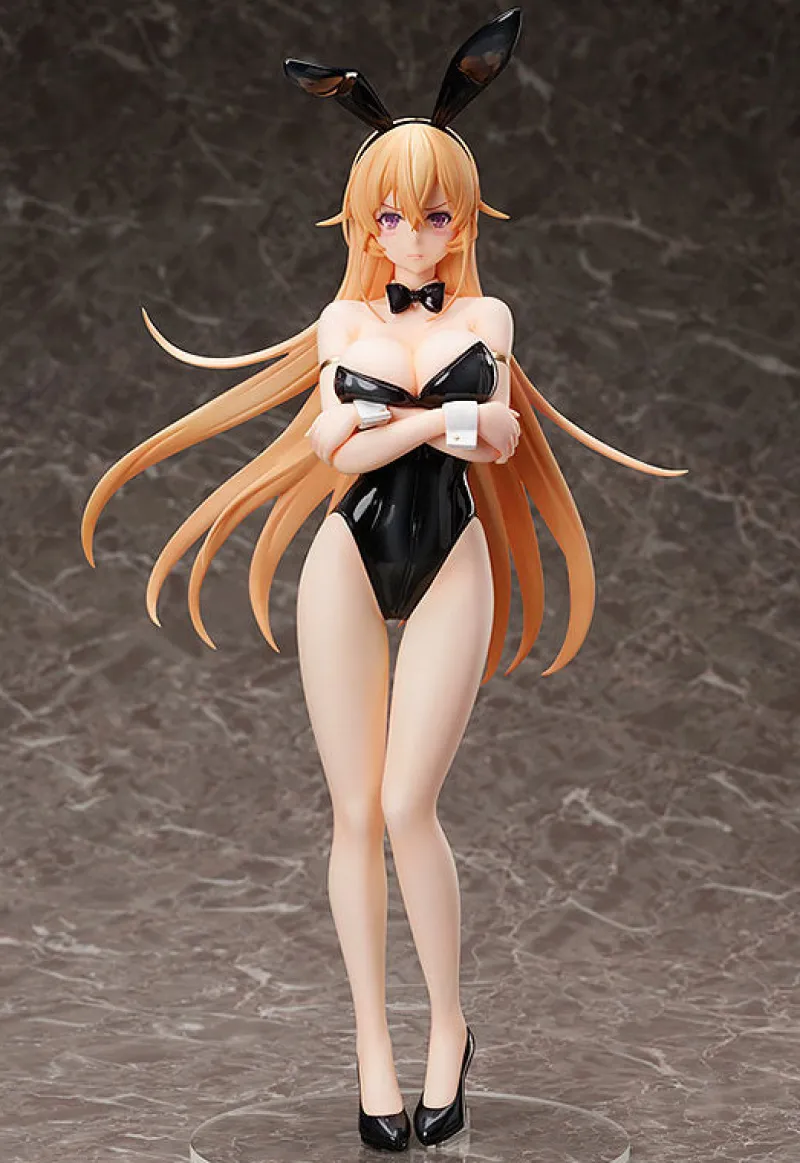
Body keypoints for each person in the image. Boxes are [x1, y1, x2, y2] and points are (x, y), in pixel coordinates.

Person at [81, 9, 686, 1151]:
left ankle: (448, 1027)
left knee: (410, 805)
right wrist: (442, 421)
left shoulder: (486, 313)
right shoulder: (341, 317)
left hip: (453, 554)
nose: (412, 236)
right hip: (346, 558)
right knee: (353, 812)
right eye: (391, 215)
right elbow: (341, 449)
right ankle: (372, 1046)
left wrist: (397, 425)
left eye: (435, 214)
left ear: (464, 219)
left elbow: (498, 442)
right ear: (364, 221)